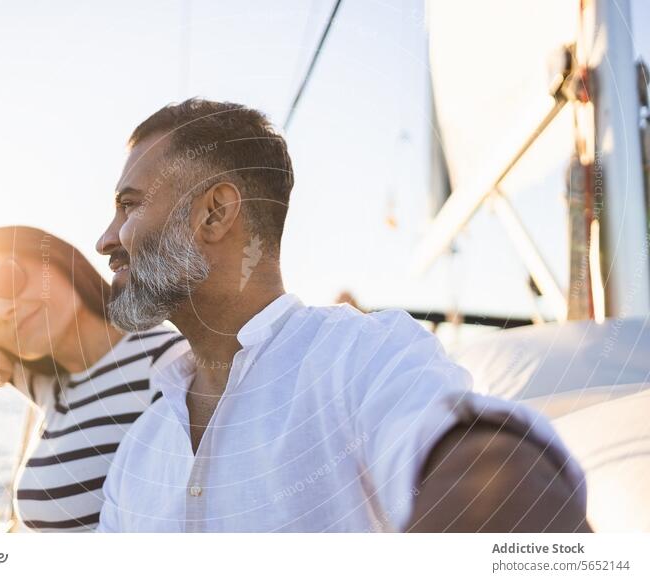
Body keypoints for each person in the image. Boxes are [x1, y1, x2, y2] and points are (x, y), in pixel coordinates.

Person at [94, 98, 591, 533]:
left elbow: (499, 474)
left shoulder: (361, 358)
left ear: (215, 213)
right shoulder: (141, 447)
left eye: (128, 206)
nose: (105, 240)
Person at [0, 225, 188, 531]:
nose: (3, 309)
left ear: (54, 259)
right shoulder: (48, 386)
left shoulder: (166, 363)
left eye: (7, 280)